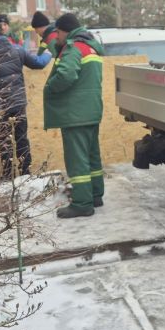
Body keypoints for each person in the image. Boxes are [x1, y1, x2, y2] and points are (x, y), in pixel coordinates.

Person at [43, 12, 105, 218]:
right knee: (91, 157)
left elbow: (66, 74)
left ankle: (82, 204)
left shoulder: (73, 48)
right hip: (90, 111)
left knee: (77, 160)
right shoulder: (89, 47)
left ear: (64, 31)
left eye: (58, 32)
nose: (57, 37)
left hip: (75, 114)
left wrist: (50, 87)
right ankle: (95, 195)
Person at [0, 19, 51, 178]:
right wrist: (48, 53)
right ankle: (25, 173)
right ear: (1, 33)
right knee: (21, 139)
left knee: (4, 141)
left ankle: (8, 175)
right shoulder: (17, 50)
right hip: (17, 102)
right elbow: (38, 63)